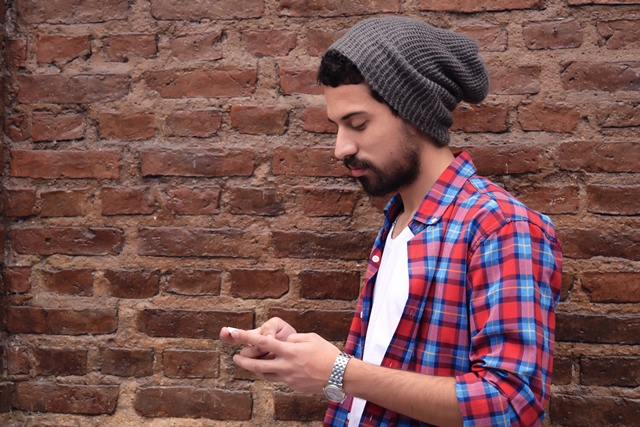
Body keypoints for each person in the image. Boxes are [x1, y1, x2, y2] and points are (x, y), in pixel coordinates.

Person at [220, 16, 562, 427]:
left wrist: (340, 371)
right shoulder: (399, 223)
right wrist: (310, 360)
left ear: (415, 113)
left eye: (358, 124)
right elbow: (387, 374)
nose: (340, 148)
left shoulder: (499, 226)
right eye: (337, 126)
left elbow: (510, 403)